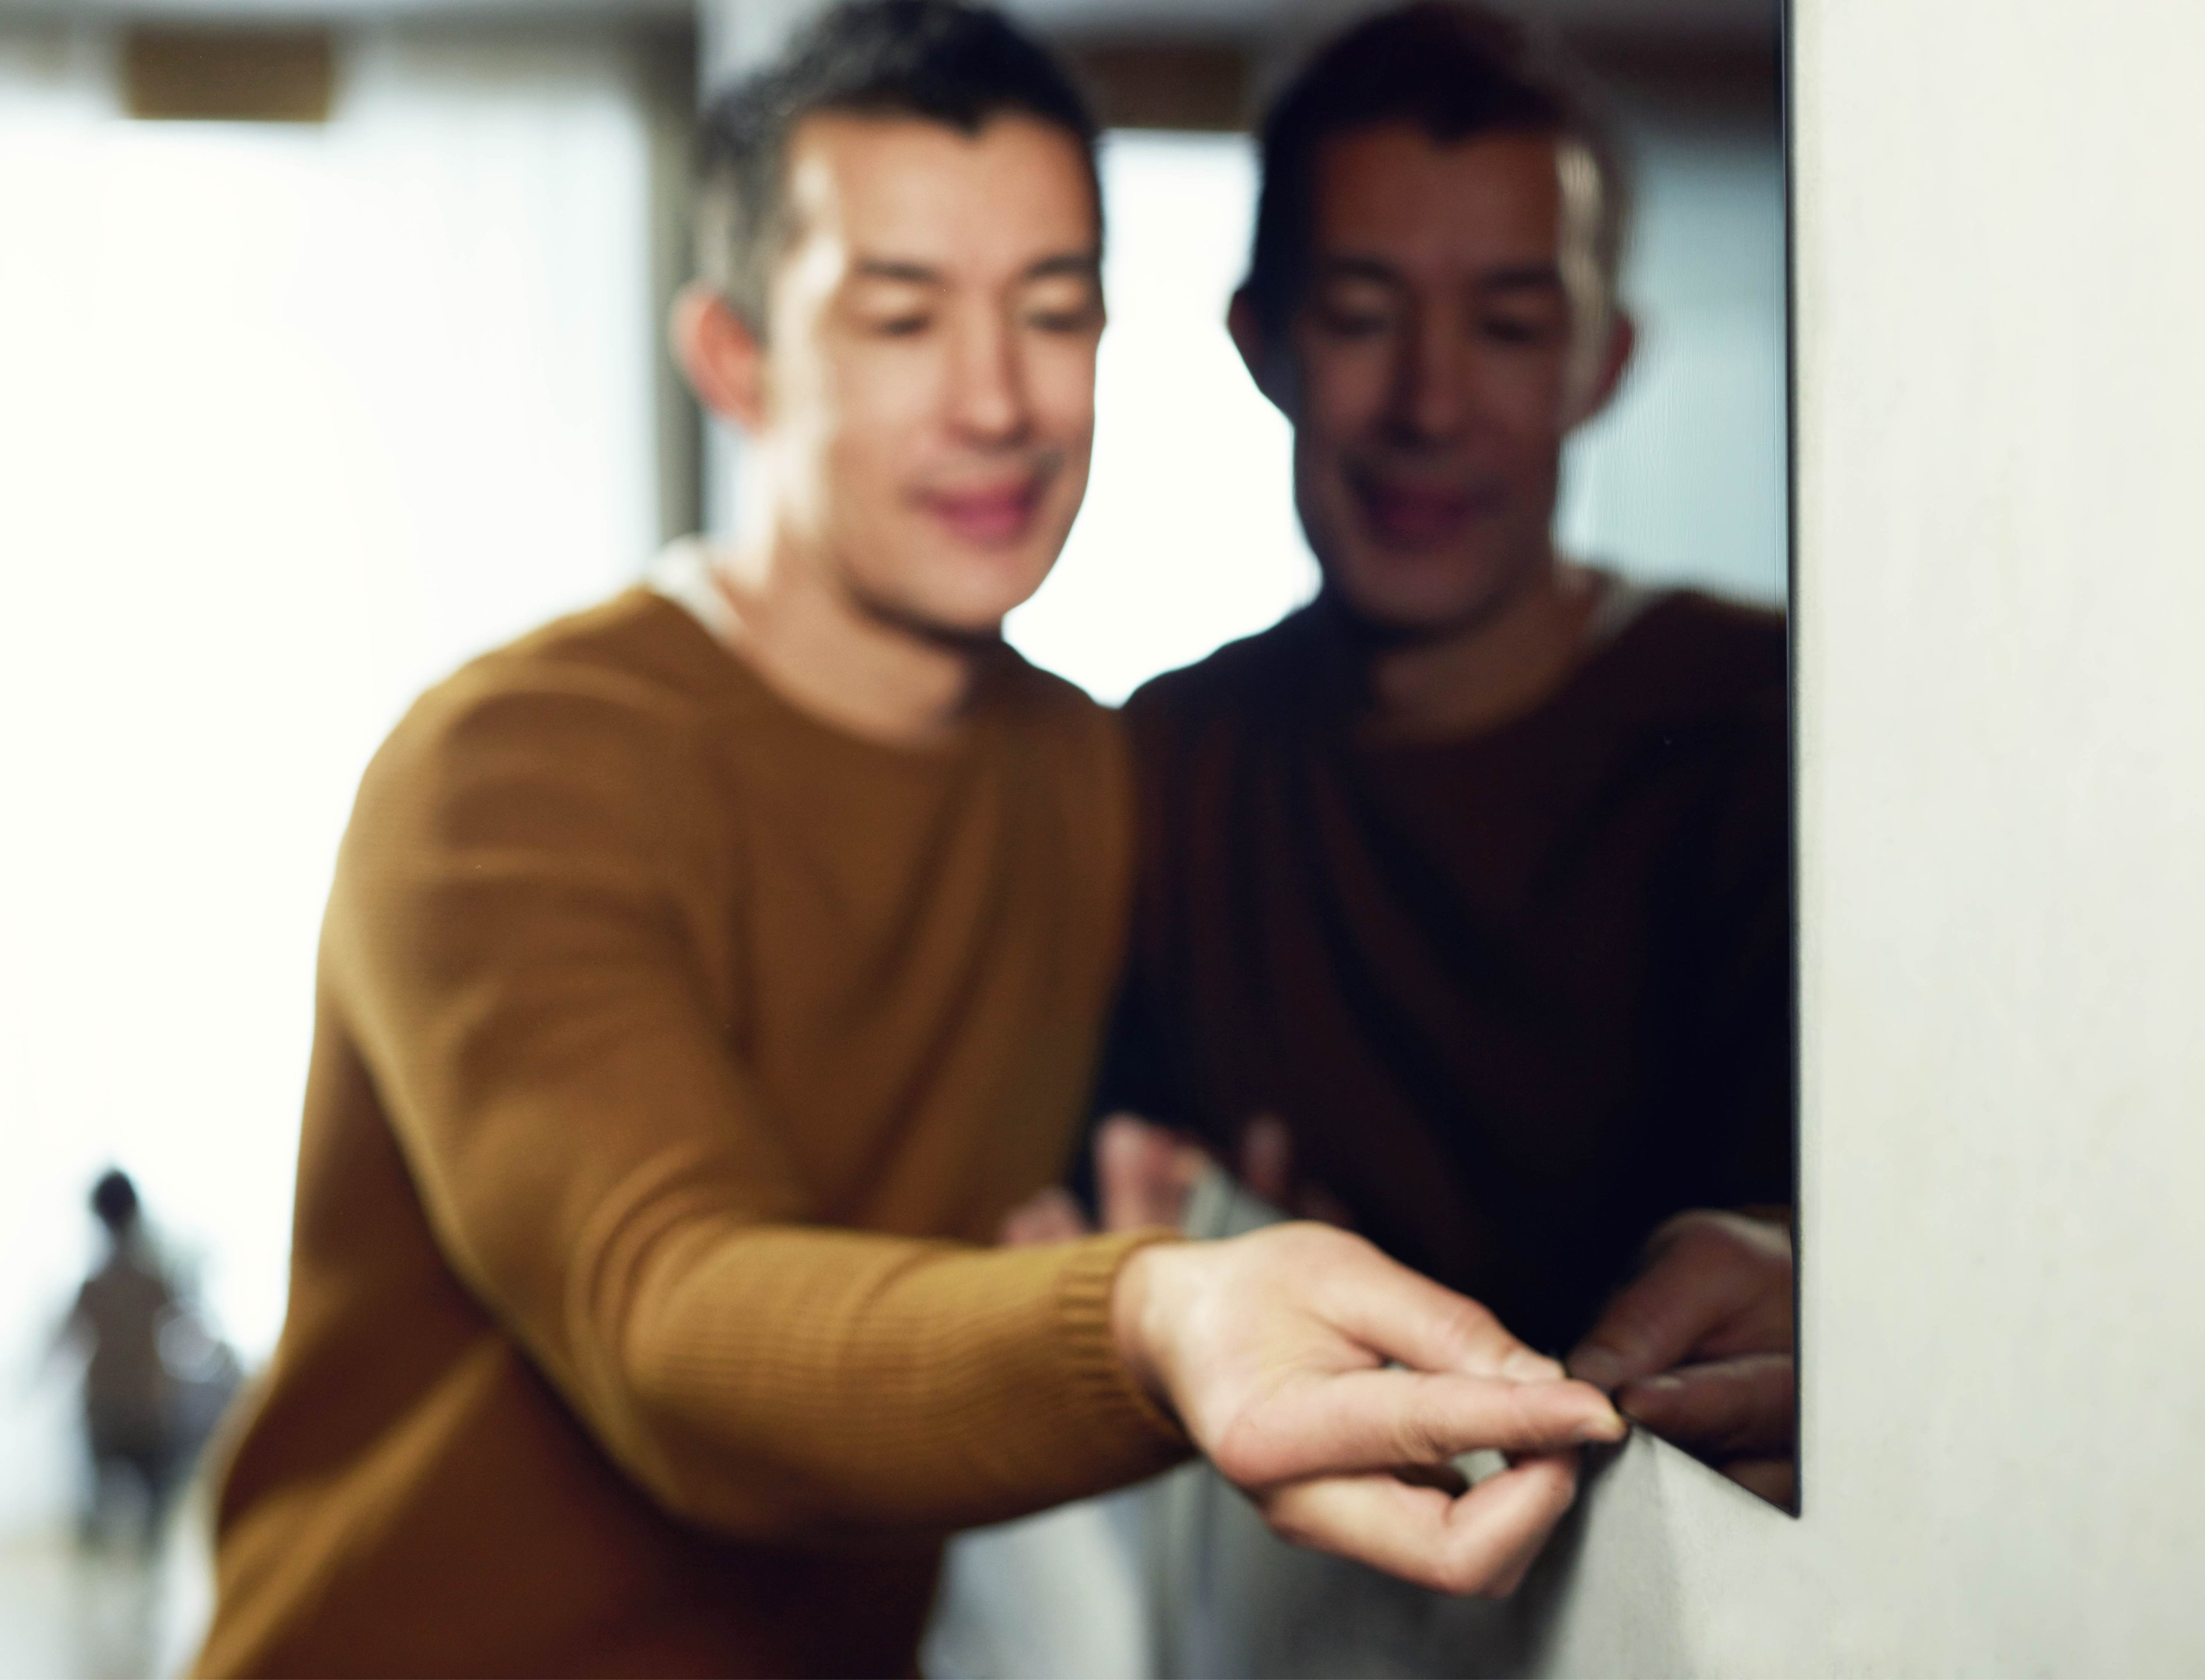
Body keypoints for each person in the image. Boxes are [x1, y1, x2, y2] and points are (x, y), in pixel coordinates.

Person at [192, 5, 1624, 1675]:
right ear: (736, 357)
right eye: (901, 317)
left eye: (1055, 310)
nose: (1001, 402)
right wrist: (1151, 1317)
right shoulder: (508, 773)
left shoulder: (1091, 780)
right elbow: (673, 1317)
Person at [1082, 0, 1795, 1502]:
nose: (1429, 403)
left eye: (1509, 325)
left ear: (1599, 363)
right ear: (1259, 342)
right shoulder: (1163, 766)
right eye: (1359, 314)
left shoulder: (1772, 723)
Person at [62, 1170, 183, 1555]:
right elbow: (189, 1328)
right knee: (152, 1514)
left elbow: (61, 1341)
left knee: (98, 1512)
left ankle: (100, 1572)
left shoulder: (94, 1287)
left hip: (110, 1413)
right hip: (143, 1411)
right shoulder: (153, 1281)